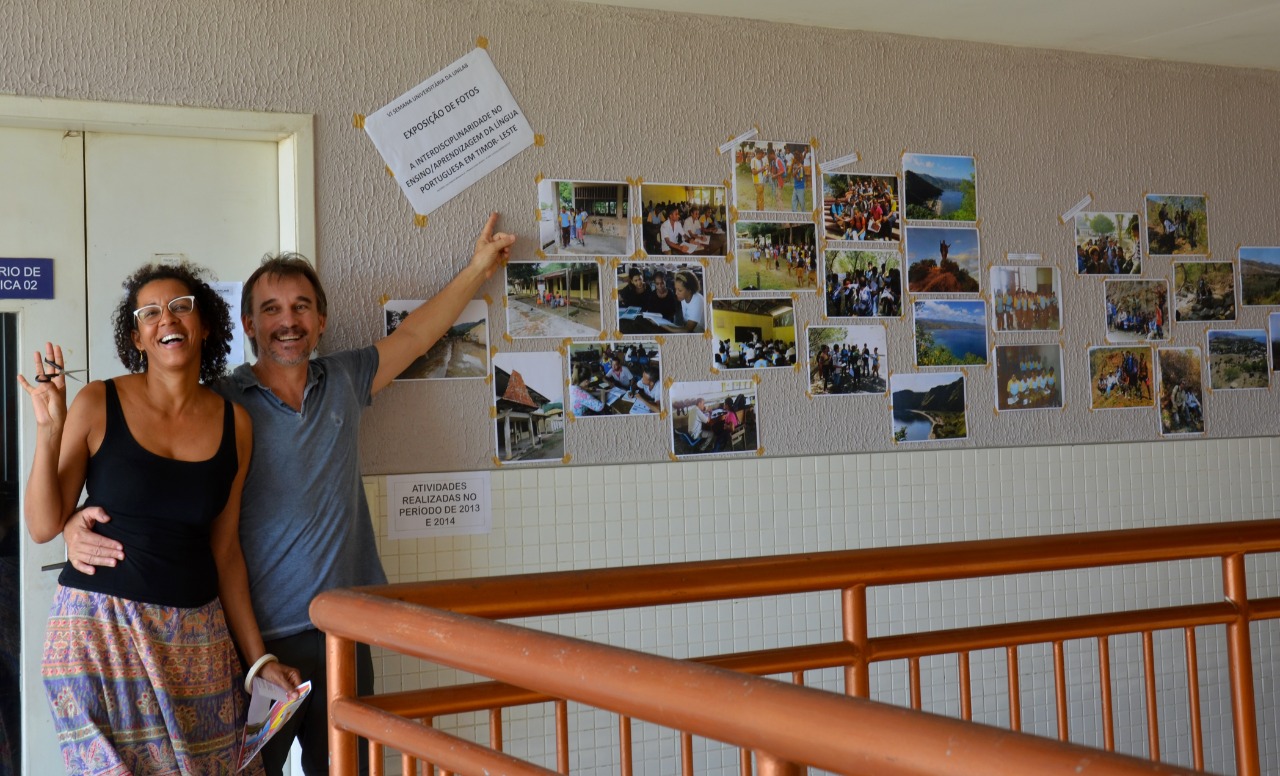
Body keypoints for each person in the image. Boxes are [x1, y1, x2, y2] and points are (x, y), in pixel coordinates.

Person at [63, 214, 516, 776]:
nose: (288, 321)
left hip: (345, 633)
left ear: (321, 321)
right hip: (253, 648)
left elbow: (419, 334)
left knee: (346, 769)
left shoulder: (347, 381)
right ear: (249, 325)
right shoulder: (221, 404)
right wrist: (72, 519)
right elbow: (148, 472)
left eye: (301, 307)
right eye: (271, 310)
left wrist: (478, 267)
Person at [20, 262, 301, 774]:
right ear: (137, 336)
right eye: (149, 312)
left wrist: (259, 661)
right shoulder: (98, 400)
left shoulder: (235, 423)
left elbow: (226, 551)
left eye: (180, 306)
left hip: (197, 641)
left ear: (206, 324)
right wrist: (49, 430)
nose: (165, 318)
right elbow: (42, 525)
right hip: (100, 632)